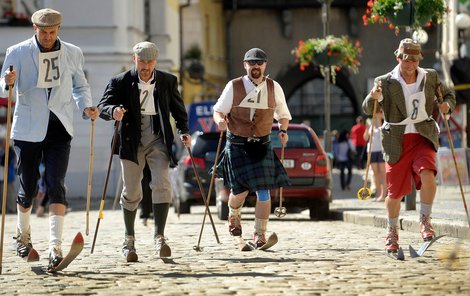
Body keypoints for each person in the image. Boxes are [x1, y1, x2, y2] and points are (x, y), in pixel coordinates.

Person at [0, 8, 99, 269]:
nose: (47, 36)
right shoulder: (18, 51)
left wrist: (86, 107)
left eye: (52, 32)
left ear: (59, 30)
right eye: (42, 32)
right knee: (29, 187)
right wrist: (8, 82)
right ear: (34, 29)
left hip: (60, 127)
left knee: (56, 184)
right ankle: (22, 236)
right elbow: (4, 84)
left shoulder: (72, 52)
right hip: (28, 129)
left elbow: (80, 85)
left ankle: (55, 247)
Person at [97, 41, 191, 261]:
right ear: (134, 60)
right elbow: (103, 106)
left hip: (158, 140)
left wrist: (184, 130)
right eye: (142, 61)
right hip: (131, 141)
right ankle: (129, 239)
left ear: (155, 62)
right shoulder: (120, 81)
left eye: (150, 61)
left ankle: (160, 236)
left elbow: (178, 110)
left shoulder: (167, 81)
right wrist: (114, 111)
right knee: (132, 192)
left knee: (162, 184)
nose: (146, 66)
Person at [363, 38, 455, 254]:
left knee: (428, 173)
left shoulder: (430, 76)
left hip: (423, 135)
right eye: (406, 60)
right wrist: (373, 96)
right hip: (397, 139)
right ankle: (392, 231)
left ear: (418, 60)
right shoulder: (385, 81)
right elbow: (368, 108)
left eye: (414, 60)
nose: (410, 65)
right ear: (398, 58)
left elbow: (449, 96)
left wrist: (446, 106)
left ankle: (425, 220)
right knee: (394, 194)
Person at [213, 48, 291, 248]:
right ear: (245, 65)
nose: (256, 66)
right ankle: (234, 215)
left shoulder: (274, 87)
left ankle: (260, 235)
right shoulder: (234, 86)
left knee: (263, 193)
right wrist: (220, 121)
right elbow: (218, 111)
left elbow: (283, 114)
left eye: (260, 63)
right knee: (239, 192)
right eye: (252, 63)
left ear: (265, 65)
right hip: (238, 144)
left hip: (262, 145)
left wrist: (283, 130)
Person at [363, 109, 387, 202]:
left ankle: (384, 194)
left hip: (381, 150)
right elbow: (365, 138)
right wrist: (368, 128)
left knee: (382, 173)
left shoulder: (384, 123)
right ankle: (378, 194)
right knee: (375, 174)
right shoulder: (370, 124)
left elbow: (383, 136)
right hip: (372, 150)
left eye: (380, 112)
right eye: (376, 112)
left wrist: (379, 122)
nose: (377, 114)